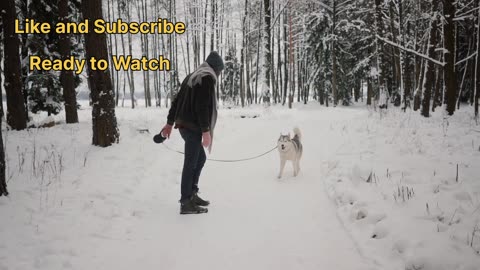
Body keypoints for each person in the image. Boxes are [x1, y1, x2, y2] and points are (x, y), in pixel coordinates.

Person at [161, 51, 224, 215]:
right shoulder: (206, 78)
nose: (219, 74)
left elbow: (177, 101)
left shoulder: (192, 76)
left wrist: (169, 124)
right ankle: (185, 202)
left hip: (185, 125)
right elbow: (202, 106)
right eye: (219, 71)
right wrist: (206, 131)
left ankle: (192, 193)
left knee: (200, 158)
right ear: (215, 68)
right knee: (191, 162)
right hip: (193, 127)